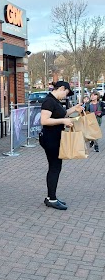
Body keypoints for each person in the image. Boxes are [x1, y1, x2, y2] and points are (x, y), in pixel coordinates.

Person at [39, 81, 83, 210]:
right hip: (50, 139)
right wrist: (64, 121)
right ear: (62, 88)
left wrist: (73, 109)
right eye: (66, 93)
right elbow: (44, 120)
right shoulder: (49, 101)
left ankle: (50, 197)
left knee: (55, 167)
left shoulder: (54, 101)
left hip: (54, 138)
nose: (65, 96)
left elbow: (61, 114)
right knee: (55, 167)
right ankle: (51, 199)